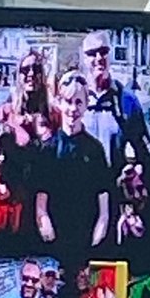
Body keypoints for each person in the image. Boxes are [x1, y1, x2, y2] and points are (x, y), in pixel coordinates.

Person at [35, 71, 110, 249]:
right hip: (55, 235)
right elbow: (41, 198)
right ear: (59, 103)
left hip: (87, 235)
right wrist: (45, 225)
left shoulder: (95, 149)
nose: (73, 109)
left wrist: (99, 231)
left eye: (79, 102)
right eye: (68, 101)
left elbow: (103, 198)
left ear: (86, 105)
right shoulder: (48, 149)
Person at [82, 29, 150, 164]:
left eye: (103, 52)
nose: (99, 58)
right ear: (84, 59)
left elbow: (142, 149)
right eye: (92, 53)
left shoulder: (127, 100)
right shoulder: (74, 99)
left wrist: (137, 169)